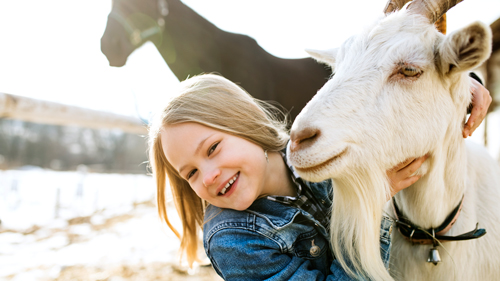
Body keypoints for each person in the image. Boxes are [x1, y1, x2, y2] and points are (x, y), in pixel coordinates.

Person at [148, 73, 491, 280]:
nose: (207, 177)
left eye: (212, 149)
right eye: (190, 172)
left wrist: (461, 84)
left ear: (247, 126)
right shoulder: (234, 242)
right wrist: (370, 203)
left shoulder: (318, 149)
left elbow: (382, 102)